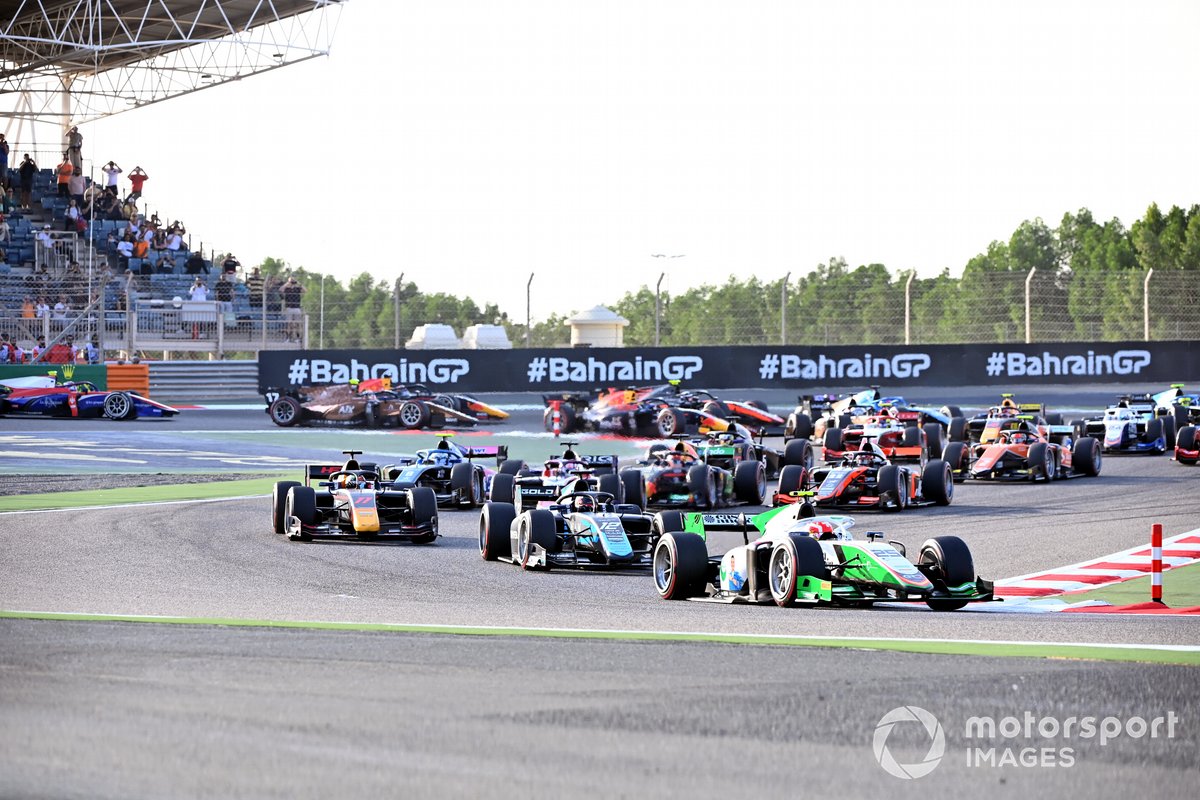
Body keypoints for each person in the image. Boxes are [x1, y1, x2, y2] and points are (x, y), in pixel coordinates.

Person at [281, 275, 305, 342]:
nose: (292, 282)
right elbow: (280, 289)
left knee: (298, 324)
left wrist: (297, 282)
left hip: (297, 308)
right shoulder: (287, 289)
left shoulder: (297, 289)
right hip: (289, 308)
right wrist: (288, 283)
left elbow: (305, 290)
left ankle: (298, 338)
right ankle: (288, 338)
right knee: (289, 324)